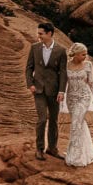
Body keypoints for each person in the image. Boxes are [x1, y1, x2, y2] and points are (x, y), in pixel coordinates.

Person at [25, 22, 68, 160]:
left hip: (54, 91)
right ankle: (39, 148)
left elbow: (63, 72)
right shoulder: (35, 48)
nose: (38, 36)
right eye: (38, 33)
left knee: (54, 120)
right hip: (38, 90)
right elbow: (29, 68)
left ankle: (52, 148)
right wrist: (30, 84)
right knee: (42, 119)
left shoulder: (61, 50)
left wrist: (62, 91)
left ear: (49, 34)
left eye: (40, 33)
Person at [61, 42, 93, 167]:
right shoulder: (66, 65)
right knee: (79, 124)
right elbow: (63, 83)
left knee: (75, 124)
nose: (85, 57)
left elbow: (92, 84)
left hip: (84, 98)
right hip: (71, 99)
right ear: (75, 54)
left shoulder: (88, 65)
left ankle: (76, 157)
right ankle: (87, 152)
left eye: (86, 54)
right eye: (83, 54)